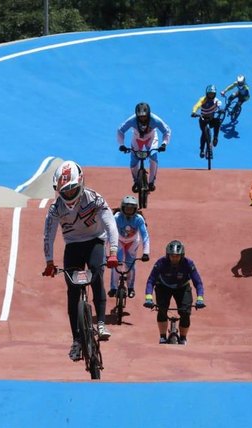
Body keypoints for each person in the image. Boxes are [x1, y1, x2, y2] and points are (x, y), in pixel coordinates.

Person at [42, 160, 120, 362]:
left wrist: (112, 251)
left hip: (95, 241)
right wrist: (49, 262)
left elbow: (111, 224)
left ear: (81, 183)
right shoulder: (55, 209)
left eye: (72, 189)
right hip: (73, 245)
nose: (68, 195)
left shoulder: (94, 199)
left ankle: (101, 322)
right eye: (64, 191)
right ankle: (76, 339)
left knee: (96, 274)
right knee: (72, 289)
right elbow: (48, 235)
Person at [143, 240, 205, 345]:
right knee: (161, 309)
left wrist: (200, 298)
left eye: (177, 256)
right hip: (163, 286)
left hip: (182, 287)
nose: (174, 258)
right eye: (172, 256)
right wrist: (148, 297)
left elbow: (198, 283)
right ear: (168, 255)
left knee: (185, 312)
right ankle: (162, 337)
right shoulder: (160, 263)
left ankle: (183, 338)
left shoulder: (189, 264)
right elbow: (151, 280)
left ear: (182, 255)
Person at [117, 102, 171, 192]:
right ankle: (136, 181)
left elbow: (166, 131)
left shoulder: (155, 120)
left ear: (149, 114)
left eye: (144, 116)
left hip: (151, 138)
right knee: (134, 160)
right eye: (140, 116)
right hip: (137, 139)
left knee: (153, 156)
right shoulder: (132, 120)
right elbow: (120, 130)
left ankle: (151, 182)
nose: (142, 118)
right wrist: (122, 145)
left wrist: (164, 144)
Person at [108, 195, 151, 299]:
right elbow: (109, 234)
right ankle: (113, 288)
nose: (129, 211)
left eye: (131, 208)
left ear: (135, 209)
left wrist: (146, 253)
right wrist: (105, 253)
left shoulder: (139, 219)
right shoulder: (117, 217)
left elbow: (145, 236)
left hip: (133, 242)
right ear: (122, 208)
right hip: (119, 241)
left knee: (130, 266)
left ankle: (131, 288)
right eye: (127, 208)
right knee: (116, 264)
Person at [190, 85, 223, 158]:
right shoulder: (202, 99)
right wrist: (194, 112)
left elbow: (219, 105)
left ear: (215, 94)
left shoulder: (216, 101)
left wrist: (221, 109)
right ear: (206, 93)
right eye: (209, 94)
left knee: (218, 121)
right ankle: (202, 150)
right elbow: (197, 105)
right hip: (203, 119)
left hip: (211, 119)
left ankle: (215, 138)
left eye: (212, 94)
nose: (211, 95)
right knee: (204, 133)